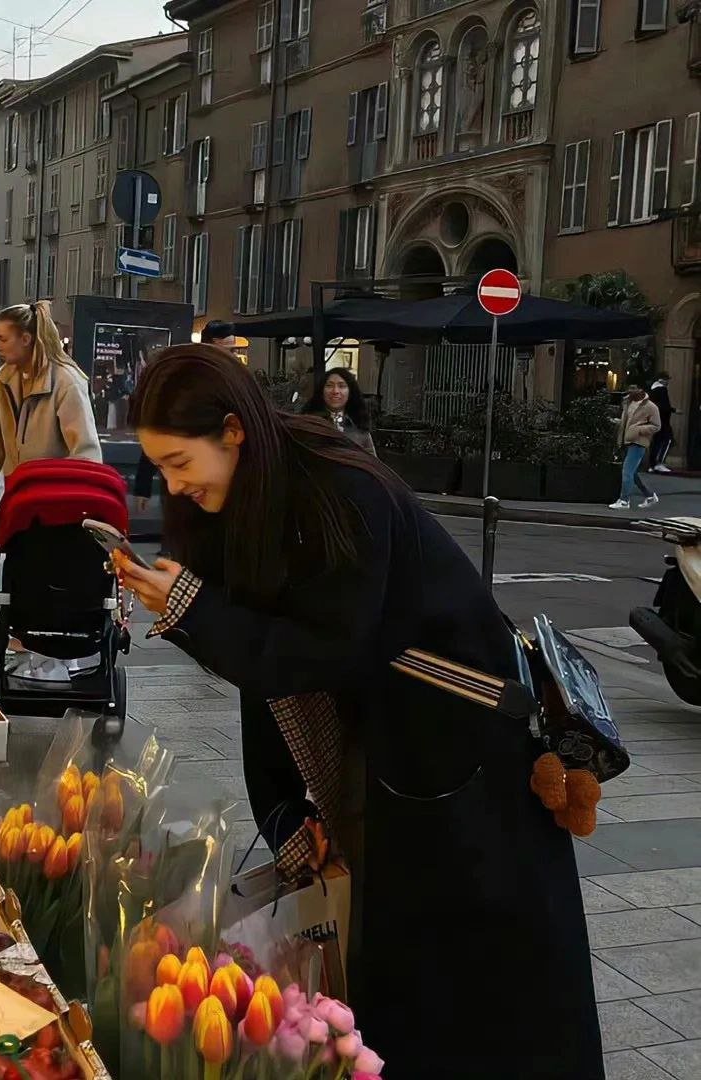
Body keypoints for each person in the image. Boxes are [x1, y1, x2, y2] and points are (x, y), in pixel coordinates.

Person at [114, 345, 603, 1080]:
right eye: (163, 469)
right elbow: (268, 669)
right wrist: (282, 812)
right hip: (396, 751)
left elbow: (318, 652)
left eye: (181, 463)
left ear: (233, 432)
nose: (175, 488)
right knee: (401, 967)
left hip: (463, 754)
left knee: (483, 982)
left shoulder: (341, 490)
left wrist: (192, 608)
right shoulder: (251, 500)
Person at [0, 300, 101, 531]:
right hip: (18, 501)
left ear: (25, 339)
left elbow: (86, 451)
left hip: (57, 508)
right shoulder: (3, 380)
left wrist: (81, 507)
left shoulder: (66, 381)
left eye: (3, 339)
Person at [133, 320, 237, 512]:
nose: (231, 358)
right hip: (186, 488)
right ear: (208, 348)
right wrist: (143, 486)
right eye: (225, 351)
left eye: (233, 351)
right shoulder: (181, 385)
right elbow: (156, 435)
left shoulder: (237, 387)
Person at [302, 367, 376, 454]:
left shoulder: (359, 428)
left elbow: (372, 464)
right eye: (329, 385)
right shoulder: (308, 424)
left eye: (342, 386)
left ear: (350, 391)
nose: (335, 391)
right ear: (322, 391)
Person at [610, 385, 661, 510]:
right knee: (631, 472)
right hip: (626, 441)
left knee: (627, 472)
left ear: (641, 391)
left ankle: (624, 500)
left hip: (639, 442)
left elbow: (656, 426)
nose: (630, 392)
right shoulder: (627, 403)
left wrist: (639, 430)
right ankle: (649, 495)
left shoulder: (651, 407)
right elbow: (626, 421)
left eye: (633, 389)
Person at [648, 371, 675, 473]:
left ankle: (652, 464)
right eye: (667, 380)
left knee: (656, 442)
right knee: (667, 440)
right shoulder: (662, 390)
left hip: (655, 420)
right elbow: (665, 406)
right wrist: (672, 410)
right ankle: (659, 463)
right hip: (663, 421)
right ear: (663, 380)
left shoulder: (653, 390)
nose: (668, 382)